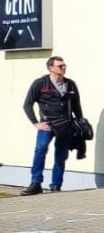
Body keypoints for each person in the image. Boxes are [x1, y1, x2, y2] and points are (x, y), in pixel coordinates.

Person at [21, 55, 83, 195]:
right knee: (40, 150)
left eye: (64, 65)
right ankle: (36, 183)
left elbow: (76, 106)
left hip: (65, 126)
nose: (63, 68)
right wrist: (36, 123)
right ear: (51, 68)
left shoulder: (70, 84)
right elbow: (27, 104)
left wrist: (79, 122)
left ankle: (56, 186)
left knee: (61, 156)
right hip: (47, 125)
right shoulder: (40, 83)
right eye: (60, 66)